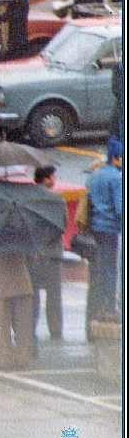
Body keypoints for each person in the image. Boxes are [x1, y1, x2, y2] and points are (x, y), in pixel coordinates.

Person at [0, 235, 34, 370]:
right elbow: (32, 257)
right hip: (23, 282)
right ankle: (22, 358)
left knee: (2, 325)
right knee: (23, 325)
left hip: (0, 282)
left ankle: (3, 358)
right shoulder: (24, 234)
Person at [87, 138, 123, 323]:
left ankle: (98, 306)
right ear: (116, 158)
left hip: (95, 226)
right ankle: (109, 308)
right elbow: (120, 208)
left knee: (100, 268)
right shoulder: (117, 178)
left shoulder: (96, 174)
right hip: (109, 228)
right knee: (110, 269)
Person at [29, 164, 64, 341]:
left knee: (33, 294)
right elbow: (61, 225)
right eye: (53, 177)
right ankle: (55, 330)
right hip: (52, 253)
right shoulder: (56, 198)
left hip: (34, 252)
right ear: (46, 178)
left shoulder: (27, 196)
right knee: (54, 296)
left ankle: (31, 329)